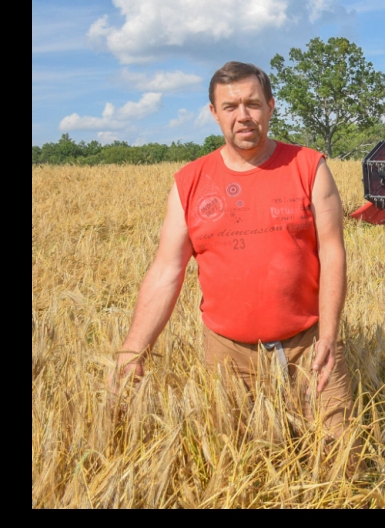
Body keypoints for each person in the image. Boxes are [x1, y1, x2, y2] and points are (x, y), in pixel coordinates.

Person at [110, 61, 356, 453]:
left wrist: (328, 335)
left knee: (340, 455)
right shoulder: (189, 183)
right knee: (238, 463)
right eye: (230, 106)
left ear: (271, 107)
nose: (243, 116)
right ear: (213, 113)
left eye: (253, 104)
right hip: (228, 356)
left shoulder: (309, 167)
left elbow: (332, 253)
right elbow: (167, 269)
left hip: (309, 347)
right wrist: (133, 349)